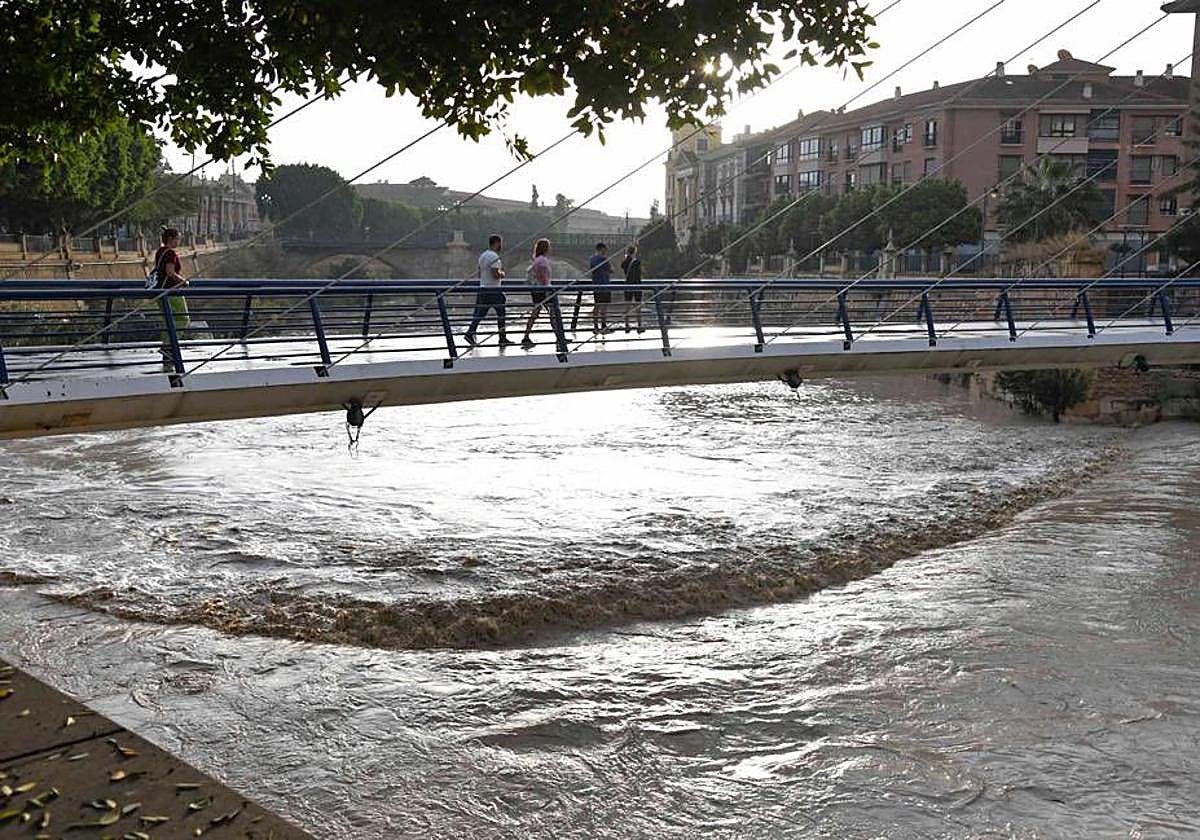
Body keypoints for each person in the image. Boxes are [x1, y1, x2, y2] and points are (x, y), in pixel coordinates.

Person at [464, 234, 513, 347]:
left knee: (480, 313)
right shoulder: (494, 257)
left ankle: (470, 332)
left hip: (483, 288)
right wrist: (503, 273)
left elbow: (480, 273)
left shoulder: (483, 255)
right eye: (500, 243)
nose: (501, 245)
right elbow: (495, 274)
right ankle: (502, 338)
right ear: (496, 243)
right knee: (501, 314)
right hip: (494, 290)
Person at [151, 227, 190, 351]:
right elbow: (170, 272)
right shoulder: (170, 253)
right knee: (183, 319)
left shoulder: (160, 251)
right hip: (171, 291)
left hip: (160, 290)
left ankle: (167, 346)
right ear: (170, 239)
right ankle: (169, 345)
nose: (179, 241)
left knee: (168, 320)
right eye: (177, 239)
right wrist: (184, 282)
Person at [521, 238, 552, 348]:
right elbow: (542, 277)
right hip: (543, 290)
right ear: (546, 248)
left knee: (536, 313)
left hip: (536, 290)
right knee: (553, 313)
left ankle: (526, 336)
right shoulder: (543, 260)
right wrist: (548, 291)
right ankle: (560, 336)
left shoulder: (537, 259)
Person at [588, 242, 612, 334]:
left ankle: (595, 326)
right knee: (604, 306)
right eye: (605, 249)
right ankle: (603, 326)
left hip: (596, 285)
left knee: (597, 305)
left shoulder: (592, 259)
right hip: (604, 284)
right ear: (602, 249)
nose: (606, 251)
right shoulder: (604, 258)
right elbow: (611, 270)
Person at [620, 243, 644, 333]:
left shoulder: (625, 262)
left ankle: (627, 325)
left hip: (627, 285)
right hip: (637, 285)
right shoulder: (637, 262)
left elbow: (623, 266)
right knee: (638, 306)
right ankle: (639, 325)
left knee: (627, 305)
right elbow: (639, 273)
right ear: (634, 252)